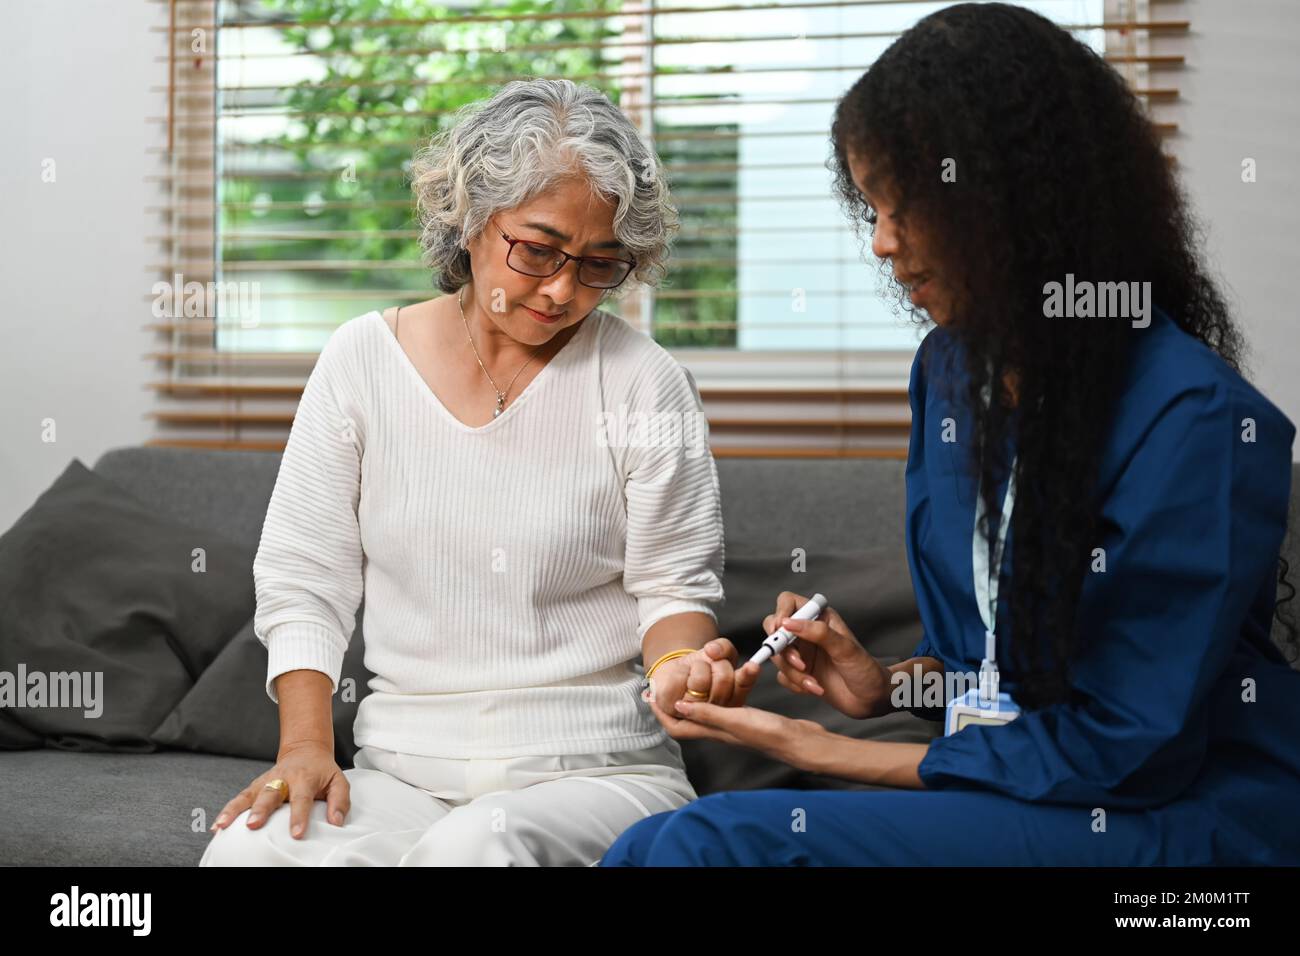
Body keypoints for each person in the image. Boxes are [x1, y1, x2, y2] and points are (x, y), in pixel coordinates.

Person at [601, 2, 1300, 866]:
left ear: (1015, 201)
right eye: (872, 212)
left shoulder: (1198, 421)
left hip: (1173, 810)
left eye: (907, 207)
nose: (885, 245)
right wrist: (885, 685)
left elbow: (1129, 746)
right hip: (1022, 785)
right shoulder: (950, 374)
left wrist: (831, 751)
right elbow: (1012, 678)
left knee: (706, 844)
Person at [200, 78, 754, 867]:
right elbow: (304, 580)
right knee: (243, 855)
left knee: (471, 848)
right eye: (537, 249)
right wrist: (304, 750)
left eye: (600, 265)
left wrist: (679, 668)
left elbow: (673, 588)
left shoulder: (643, 380)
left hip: (596, 773)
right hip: (403, 776)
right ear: (468, 217)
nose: (563, 289)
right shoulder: (361, 362)